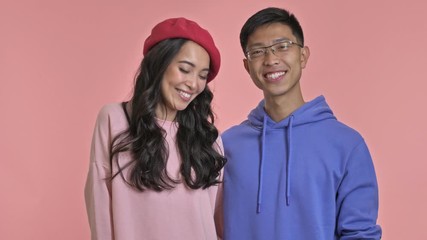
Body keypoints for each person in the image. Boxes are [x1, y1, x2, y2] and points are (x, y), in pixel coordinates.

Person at [221, 7, 382, 239]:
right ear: (247, 66)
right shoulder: (226, 146)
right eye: (257, 52)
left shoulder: (347, 145)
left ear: (303, 56)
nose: (271, 59)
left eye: (282, 46)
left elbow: (360, 234)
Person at [84, 17, 226, 240]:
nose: (194, 84)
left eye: (202, 76)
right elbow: (100, 203)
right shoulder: (115, 119)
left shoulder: (208, 139)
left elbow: (217, 222)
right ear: (159, 64)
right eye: (185, 69)